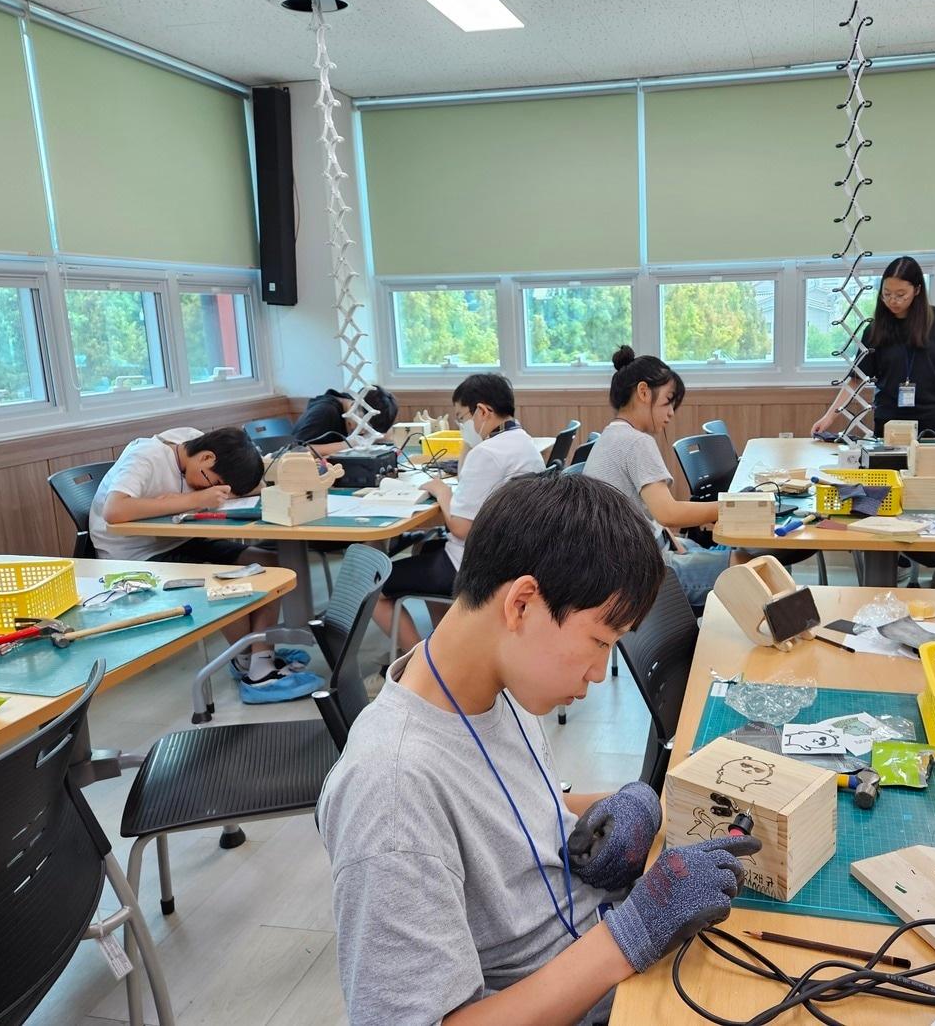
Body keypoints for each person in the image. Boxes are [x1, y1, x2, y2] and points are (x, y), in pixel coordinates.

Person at [318, 474, 759, 1025]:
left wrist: (623, 804)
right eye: (600, 641)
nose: (600, 672)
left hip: (601, 953)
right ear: (522, 603)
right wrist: (634, 933)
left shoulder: (492, 686)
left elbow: (517, 808)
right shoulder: (390, 791)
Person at [88, 426, 296, 684]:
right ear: (206, 458)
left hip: (180, 543)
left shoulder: (192, 442)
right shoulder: (145, 456)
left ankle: (259, 658)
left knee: (270, 565)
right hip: (136, 557)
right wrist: (193, 499)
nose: (218, 490)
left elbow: (258, 486)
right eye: (215, 482)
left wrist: (207, 492)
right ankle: (251, 665)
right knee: (227, 582)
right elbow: (114, 510)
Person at [373, 373, 545, 651]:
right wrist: (470, 443)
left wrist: (443, 492)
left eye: (462, 418)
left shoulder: (488, 453)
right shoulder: (522, 442)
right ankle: (445, 648)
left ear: (483, 411)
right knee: (425, 550)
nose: (461, 426)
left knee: (374, 583)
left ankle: (418, 663)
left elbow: (461, 528)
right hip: (510, 557)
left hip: (472, 564)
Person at [584, 347, 741, 609]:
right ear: (643, 392)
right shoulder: (636, 442)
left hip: (615, 566)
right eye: (668, 401)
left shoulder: (612, 436)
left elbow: (649, 512)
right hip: (637, 576)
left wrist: (671, 537)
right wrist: (733, 508)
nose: (670, 413)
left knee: (734, 556)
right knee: (751, 568)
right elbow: (668, 512)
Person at [811, 255, 935, 440]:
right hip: (890, 418)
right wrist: (829, 417)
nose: (893, 300)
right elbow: (855, 380)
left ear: (917, 290)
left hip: (933, 416)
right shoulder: (874, 330)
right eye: (887, 293)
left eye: (901, 295)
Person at [291, 385, 400, 456]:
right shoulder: (325, 411)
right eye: (364, 428)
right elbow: (294, 451)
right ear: (355, 406)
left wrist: (372, 437)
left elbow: (384, 432)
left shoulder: (353, 404)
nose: (362, 433)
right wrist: (346, 445)